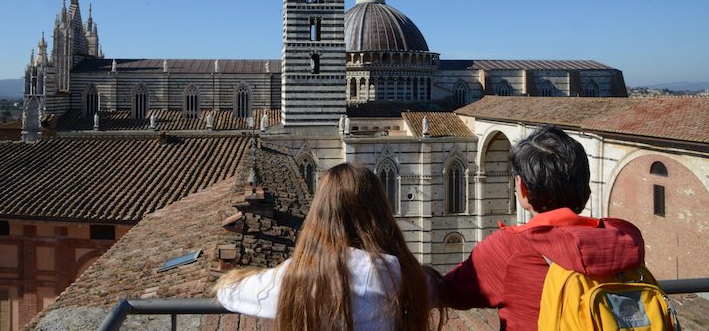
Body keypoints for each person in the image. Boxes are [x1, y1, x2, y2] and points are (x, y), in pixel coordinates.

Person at [441, 126, 646, 330]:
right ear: (586, 186)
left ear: (522, 187)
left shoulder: (509, 248)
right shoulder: (627, 238)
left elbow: (442, 292)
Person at [216, 163, 446, 330]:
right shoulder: (400, 274)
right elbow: (439, 290)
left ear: (319, 213)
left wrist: (243, 274)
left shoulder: (295, 277)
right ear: (379, 213)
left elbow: (229, 293)